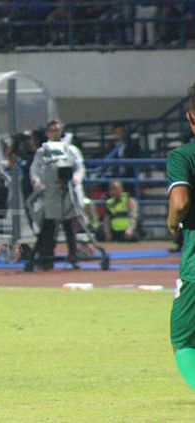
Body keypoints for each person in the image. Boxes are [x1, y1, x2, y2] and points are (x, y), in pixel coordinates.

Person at [167, 84, 195, 391]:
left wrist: (172, 222)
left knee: (183, 338)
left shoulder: (184, 157)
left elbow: (181, 202)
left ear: (191, 118)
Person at [28, 120, 84, 271]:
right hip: (51, 194)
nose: (55, 133)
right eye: (51, 130)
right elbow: (35, 169)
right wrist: (36, 181)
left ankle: (74, 257)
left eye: (57, 130)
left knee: (69, 228)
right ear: (47, 133)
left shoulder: (71, 150)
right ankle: (45, 258)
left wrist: (76, 179)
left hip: (68, 194)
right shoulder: (42, 152)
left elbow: (79, 168)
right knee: (48, 229)